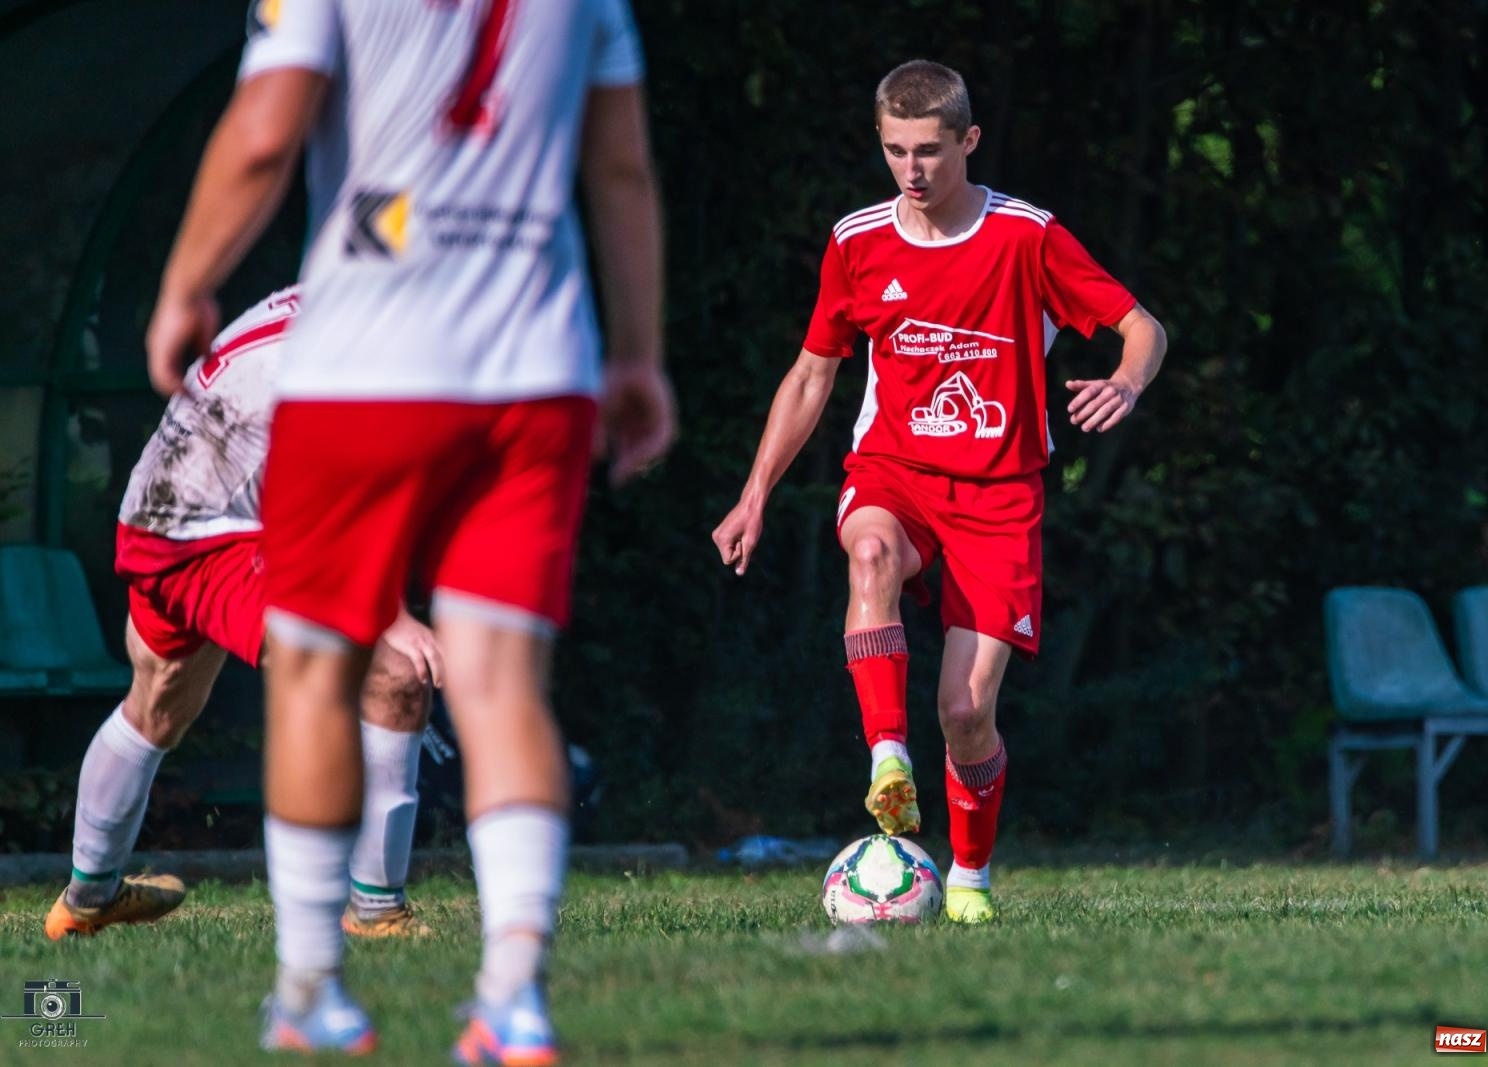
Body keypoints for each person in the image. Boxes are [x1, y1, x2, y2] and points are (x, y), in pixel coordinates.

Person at [145, 0, 672, 1058]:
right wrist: (637, 352)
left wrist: (187, 284)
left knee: (311, 672)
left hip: (363, 372)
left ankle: (310, 993)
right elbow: (619, 170)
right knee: (502, 684)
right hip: (533, 372)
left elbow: (263, 133)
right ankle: (515, 997)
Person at [712, 60, 1167, 925]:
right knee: (870, 550)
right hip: (896, 475)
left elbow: (1142, 325)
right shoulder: (857, 242)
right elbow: (813, 376)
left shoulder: (1025, 237)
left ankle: (968, 874)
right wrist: (755, 492)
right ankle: (889, 759)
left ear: (969, 141)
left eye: (929, 150)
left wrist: (1128, 381)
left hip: (1001, 498)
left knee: (965, 710)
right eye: (895, 151)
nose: (912, 171)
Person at [44, 286, 438, 944]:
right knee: (390, 671)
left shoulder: (350, 295)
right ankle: (376, 912)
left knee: (161, 699)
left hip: (159, 516)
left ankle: (87, 899)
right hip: (212, 533)